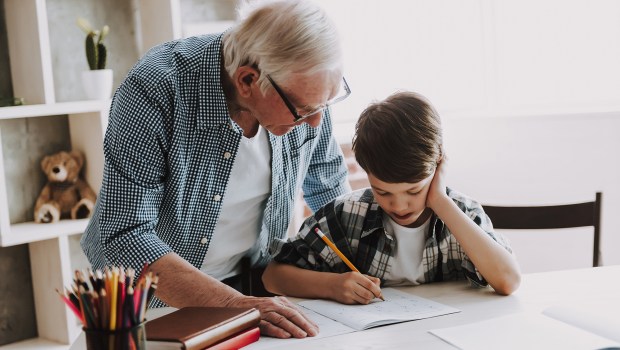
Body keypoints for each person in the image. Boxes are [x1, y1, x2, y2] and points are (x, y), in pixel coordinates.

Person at [81, 0, 352, 338]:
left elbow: (330, 189)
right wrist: (239, 306)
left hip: (249, 288)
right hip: (149, 303)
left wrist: (356, 264)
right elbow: (124, 236)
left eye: (324, 105)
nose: (315, 123)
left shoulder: (303, 85)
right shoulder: (155, 89)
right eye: (303, 110)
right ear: (248, 81)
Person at [263, 91, 521, 304]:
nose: (398, 205)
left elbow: (508, 280)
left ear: (438, 165)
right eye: (383, 191)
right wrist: (332, 285)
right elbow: (273, 276)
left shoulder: (462, 213)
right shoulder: (348, 214)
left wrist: (440, 201)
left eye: (414, 191)